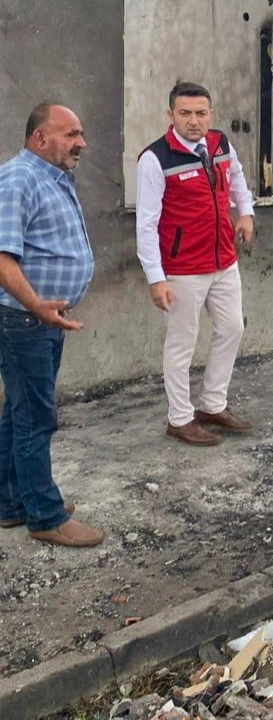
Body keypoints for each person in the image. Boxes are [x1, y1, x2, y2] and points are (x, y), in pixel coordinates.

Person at [0, 103, 104, 547]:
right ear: (40, 137)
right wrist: (37, 306)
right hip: (25, 319)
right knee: (35, 417)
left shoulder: (53, 178)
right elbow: (2, 258)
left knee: (18, 411)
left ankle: (10, 503)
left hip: (43, 319)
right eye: (71, 134)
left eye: (81, 134)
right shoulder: (18, 179)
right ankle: (45, 515)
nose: (82, 143)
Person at [136, 82, 255, 446]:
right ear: (170, 115)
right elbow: (146, 224)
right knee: (182, 343)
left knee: (232, 328)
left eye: (201, 113)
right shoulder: (156, 159)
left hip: (223, 260)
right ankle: (180, 418)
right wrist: (156, 278)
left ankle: (212, 405)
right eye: (185, 113)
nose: (194, 121)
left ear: (210, 114)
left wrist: (245, 212)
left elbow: (236, 177)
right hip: (182, 268)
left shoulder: (220, 144)